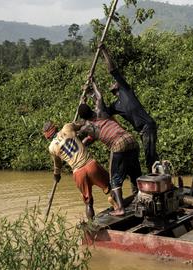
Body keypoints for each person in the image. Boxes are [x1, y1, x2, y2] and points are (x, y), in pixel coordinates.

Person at [77, 78, 142, 216]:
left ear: (84, 118)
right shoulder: (101, 111)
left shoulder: (87, 127)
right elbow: (99, 96)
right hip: (131, 139)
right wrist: (93, 82)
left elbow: (80, 136)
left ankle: (120, 208)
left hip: (118, 144)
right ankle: (139, 198)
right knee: (134, 173)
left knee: (114, 178)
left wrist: (82, 100)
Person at [99, 43, 159, 171]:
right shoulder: (116, 106)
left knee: (150, 157)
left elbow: (112, 70)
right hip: (143, 131)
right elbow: (103, 112)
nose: (112, 83)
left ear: (117, 86)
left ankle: (156, 181)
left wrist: (104, 51)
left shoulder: (126, 90)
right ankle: (158, 176)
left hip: (147, 126)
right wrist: (94, 92)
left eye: (114, 83)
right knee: (151, 156)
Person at [43, 121, 113, 220]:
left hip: (78, 173)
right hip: (90, 164)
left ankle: (91, 223)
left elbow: (57, 165)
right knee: (111, 187)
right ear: (56, 127)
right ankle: (117, 203)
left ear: (48, 137)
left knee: (88, 202)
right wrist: (77, 133)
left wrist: (56, 175)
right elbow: (83, 124)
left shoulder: (52, 147)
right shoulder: (67, 127)